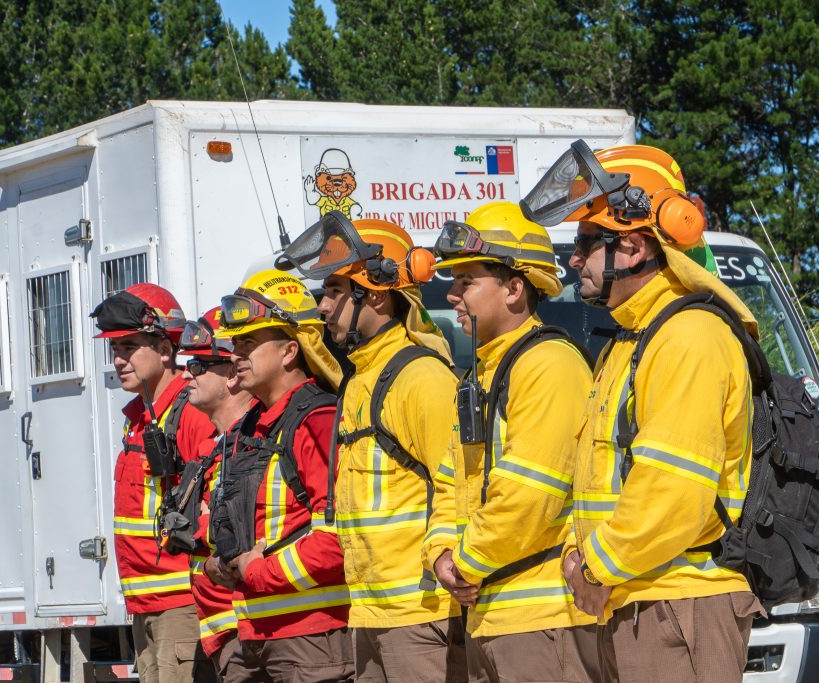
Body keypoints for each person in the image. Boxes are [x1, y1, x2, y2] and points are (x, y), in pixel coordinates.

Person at [522, 141, 764, 682]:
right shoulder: (632, 339)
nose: (573, 260)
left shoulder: (688, 336)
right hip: (635, 596)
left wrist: (594, 564)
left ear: (632, 246)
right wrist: (580, 556)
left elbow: (672, 489)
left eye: (587, 242)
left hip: (676, 605)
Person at [281, 213, 464, 681]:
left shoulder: (421, 377)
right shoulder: (361, 380)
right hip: (371, 614)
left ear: (377, 295)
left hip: (421, 616)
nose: (322, 307)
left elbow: (459, 488)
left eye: (335, 292)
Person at [423, 201, 598, 683]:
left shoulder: (549, 364)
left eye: (466, 281)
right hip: (493, 613)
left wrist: (462, 563)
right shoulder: (483, 373)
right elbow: (448, 478)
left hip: (546, 620)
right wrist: (440, 552)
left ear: (515, 288)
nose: (453, 295)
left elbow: (530, 492)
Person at [206, 270, 353, 682]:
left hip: (312, 639)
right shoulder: (248, 427)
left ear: (290, 351)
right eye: (234, 342)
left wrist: (256, 572)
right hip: (253, 632)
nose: (235, 354)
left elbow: (337, 540)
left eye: (248, 342)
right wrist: (219, 564)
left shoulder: (317, 419)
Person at [90, 283, 217, 683]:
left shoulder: (191, 414)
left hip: (181, 603)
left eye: (130, 348)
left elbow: (214, 504)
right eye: (114, 349)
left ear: (165, 349)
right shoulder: (141, 419)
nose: (118, 359)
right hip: (145, 603)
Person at [177, 307, 254, 681]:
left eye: (201, 365)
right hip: (226, 633)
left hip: (249, 632)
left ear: (233, 376)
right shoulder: (220, 445)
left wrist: (204, 525)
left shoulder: (251, 446)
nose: (189, 373)